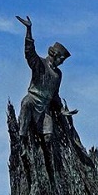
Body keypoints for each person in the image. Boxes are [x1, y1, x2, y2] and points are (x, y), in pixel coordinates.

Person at [16, 15, 76, 146]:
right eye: (62, 59)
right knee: (25, 105)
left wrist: (61, 110)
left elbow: (55, 95)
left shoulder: (58, 75)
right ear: (55, 55)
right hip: (32, 100)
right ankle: (23, 145)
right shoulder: (40, 64)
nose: (62, 63)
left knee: (48, 135)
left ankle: (49, 162)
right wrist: (29, 30)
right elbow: (29, 52)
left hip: (44, 107)